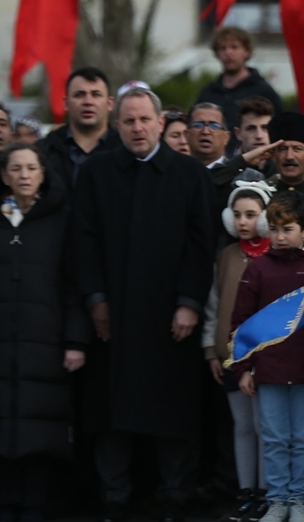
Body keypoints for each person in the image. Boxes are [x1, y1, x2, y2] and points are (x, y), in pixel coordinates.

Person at [72, 87, 216, 521]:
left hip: (170, 318)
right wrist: (95, 298)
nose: (137, 128)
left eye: (144, 120)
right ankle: (114, 498)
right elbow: (83, 240)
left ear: (160, 122)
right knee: (111, 415)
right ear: (117, 126)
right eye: (128, 121)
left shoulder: (190, 174)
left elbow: (201, 244)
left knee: (172, 413)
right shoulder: (97, 171)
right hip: (112, 317)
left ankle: (174, 495)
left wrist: (190, 302)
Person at [0, 143, 89, 521]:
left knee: (39, 434)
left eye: (30, 168)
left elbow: (73, 284)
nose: (23, 175)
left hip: (46, 346)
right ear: (4, 177)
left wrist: (75, 340)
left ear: (42, 174)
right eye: (15, 169)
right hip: (0, 348)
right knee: (0, 431)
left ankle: (34, 509)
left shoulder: (60, 219)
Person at [230, 191, 304, 522]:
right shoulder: (258, 269)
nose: (280, 237)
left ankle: (300, 500)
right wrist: (243, 369)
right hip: (267, 371)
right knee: (275, 439)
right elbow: (240, 322)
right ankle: (278, 498)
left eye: (289, 229)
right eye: (275, 229)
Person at [204, 181, 276, 522]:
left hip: (264, 358)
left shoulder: (276, 255)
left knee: (265, 427)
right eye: (237, 215)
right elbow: (213, 306)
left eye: (251, 214)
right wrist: (210, 349)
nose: (243, 221)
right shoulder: (226, 256)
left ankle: (266, 490)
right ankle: (246, 490)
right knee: (242, 426)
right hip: (230, 355)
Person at [197, 26, 283, 150]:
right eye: (223, 48)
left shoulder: (263, 91)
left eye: (234, 47)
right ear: (217, 54)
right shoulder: (208, 93)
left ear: (247, 52)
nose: (228, 53)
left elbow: (279, 127)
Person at [37, 67, 122, 189]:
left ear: (110, 103)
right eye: (79, 95)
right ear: (66, 103)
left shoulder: (127, 150)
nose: (88, 101)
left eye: (96, 95)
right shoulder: (43, 152)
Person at [264, 113, 304, 196]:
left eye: (297, 149)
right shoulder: (263, 193)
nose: (289, 156)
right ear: (273, 155)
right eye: (283, 149)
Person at [232, 96, 279, 178]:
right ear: (238, 133)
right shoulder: (225, 171)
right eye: (251, 128)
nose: (259, 136)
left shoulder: (284, 170)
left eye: (265, 128)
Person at [188, 102, 233, 168]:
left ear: (226, 137)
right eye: (198, 125)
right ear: (186, 134)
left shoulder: (243, 176)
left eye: (214, 126)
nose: (205, 132)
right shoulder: (171, 173)